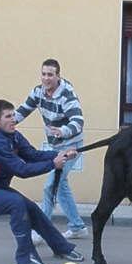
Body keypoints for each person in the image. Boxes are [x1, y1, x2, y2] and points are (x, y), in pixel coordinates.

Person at [0, 99, 84, 264]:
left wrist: (60, 154)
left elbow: (32, 155)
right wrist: (52, 164)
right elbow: (21, 170)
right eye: (8, 116)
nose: (13, 119)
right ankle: (26, 259)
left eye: (14, 115)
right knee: (17, 204)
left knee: (30, 207)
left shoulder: (14, 136)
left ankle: (61, 247)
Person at [14, 59, 87, 243]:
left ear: (58, 76)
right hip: (55, 146)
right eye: (44, 74)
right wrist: (5, 122)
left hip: (70, 146)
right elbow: (23, 110)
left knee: (50, 187)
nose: (46, 78)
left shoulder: (66, 95)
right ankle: (77, 227)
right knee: (60, 186)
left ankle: (40, 231)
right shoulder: (38, 92)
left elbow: (78, 122)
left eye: (50, 74)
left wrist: (62, 131)